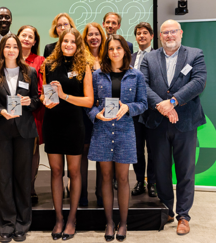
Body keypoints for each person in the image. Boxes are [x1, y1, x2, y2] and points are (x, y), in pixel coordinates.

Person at [140, 19, 207, 235]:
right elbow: (143, 84)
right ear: (160, 36)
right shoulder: (149, 57)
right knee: (160, 170)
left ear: (181, 33)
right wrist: (162, 107)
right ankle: (167, 209)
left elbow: (198, 82)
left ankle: (183, 216)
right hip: (157, 123)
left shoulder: (195, 54)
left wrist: (172, 102)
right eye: (165, 32)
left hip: (185, 122)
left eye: (173, 32)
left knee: (185, 170)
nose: (169, 36)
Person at [87, 34, 147, 242]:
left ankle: (123, 222)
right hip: (103, 131)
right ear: (107, 52)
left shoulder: (136, 75)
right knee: (105, 178)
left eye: (118, 48)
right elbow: (91, 104)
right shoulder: (97, 75)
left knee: (122, 178)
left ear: (125, 51)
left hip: (125, 131)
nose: (115, 52)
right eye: (111, 49)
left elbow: (143, 104)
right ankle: (109, 222)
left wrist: (128, 108)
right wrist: (97, 114)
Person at [0, 33, 39, 242]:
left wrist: (28, 102)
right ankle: (6, 223)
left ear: (19, 50)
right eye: (7, 46)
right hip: (0, 132)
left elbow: (36, 101)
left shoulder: (29, 72)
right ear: (2, 50)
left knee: (23, 177)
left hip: (24, 131)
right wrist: (0, 112)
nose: (11, 50)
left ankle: (22, 223)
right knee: (3, 178)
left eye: (15, 46)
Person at [41, 28, 93, 240]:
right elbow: (47, 94)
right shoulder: (49, 65)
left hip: (74, 124)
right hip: (52, 122)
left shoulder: (84, 66)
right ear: (60, 43)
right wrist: (47, 100)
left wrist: (64, 95)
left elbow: (88, 101)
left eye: (73, 42)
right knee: (55, 172)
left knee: (74, 173)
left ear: (78, 45)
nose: (68, 45)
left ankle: (72, 219)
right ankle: (59, 219)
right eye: (65, 41)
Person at [17, 25, 45, 205]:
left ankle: (30, 187)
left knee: (32, 151)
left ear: (35, 41)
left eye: (30, 37)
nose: (26, 39)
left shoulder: (41, 60)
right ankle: (17, 187)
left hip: (33, 112)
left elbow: (43, 88)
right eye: (23, 35)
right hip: (11, 113)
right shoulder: (9, 57)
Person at [130, 22, 157, 197]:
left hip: (153, 109)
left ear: (152, 36)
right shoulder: (130, 57)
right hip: (133, 110)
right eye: (139, 33)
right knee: (137, 148)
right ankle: (140, 180)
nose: (142, 36)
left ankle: (152, 182)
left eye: (145, 33)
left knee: (153, 148)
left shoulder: (158, 56)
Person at [80, 22, 106, 206]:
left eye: (97, 34)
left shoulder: (109, 57)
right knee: (83, 152)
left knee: (102, 154)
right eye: (90, 35)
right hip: (84, 112)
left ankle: (100, 194)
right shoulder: (80, 59)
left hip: (104, 113)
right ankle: (81, 194)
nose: (94, 37)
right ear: (85, 38)